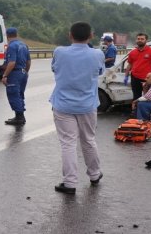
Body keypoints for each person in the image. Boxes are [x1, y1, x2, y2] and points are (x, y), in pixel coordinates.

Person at [49, 21, 104, 194]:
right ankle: (95, 174)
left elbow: (54, 68)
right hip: (87, 105)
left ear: (70, 35)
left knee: (68, 144)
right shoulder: (97, 54)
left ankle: (70, 183)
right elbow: (100, 71)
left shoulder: (59, 52)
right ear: (91, 36)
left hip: (63, 105)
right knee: (88, 140)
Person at [1, 27, 31, 125]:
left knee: (13, 94)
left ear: (7, 35)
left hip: (15, 73)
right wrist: (25, 72)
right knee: (20, 95)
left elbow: (11, 63)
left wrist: (5, 75)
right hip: (22, 72)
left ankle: (19, 117)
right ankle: (20, 116)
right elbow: (28, 61)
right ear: (16, 34)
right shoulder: (23, 45)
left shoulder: (12, 46)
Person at [124, 33, 151, 102]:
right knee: (136, 96)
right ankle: (136, 111)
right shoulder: (132, 52)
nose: (140, 40)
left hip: (148, 79)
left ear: (146, 40)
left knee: (148, 97)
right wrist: (126, 76)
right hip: (135, 78)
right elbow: (129, 65)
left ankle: (147, 111)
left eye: (142, 39)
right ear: (136, 40)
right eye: (138, 39)